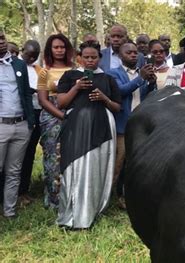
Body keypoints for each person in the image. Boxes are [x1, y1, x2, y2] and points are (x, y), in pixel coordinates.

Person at [56, 41, 121, 229]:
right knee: (73, 167)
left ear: (100, 58)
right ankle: (72, 212)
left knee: (95, 168)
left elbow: (117, 107)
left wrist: (104, 98)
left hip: (101, 131)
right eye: (86, 57)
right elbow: (61, 103)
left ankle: (92, 209)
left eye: (94, 57)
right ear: (80, 58)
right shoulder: (69, 76)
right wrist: (76, 88)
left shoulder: (108, 79)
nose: (90, 61)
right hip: (76, 130)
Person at [107, 42, 156, 209]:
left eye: (136, 53)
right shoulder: (113, 74)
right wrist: (141, 78)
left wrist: (151, 83)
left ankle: (131, 195)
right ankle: (113, 196)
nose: (134, 55)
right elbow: (120, 92)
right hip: (123, 126)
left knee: (137, 162)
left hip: (141, 124)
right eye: (129, 53)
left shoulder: (141, 72)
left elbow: (150, 97)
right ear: (120, 56)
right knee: (119, 163)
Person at [0, 31, 35, 219]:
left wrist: (31, 121)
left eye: (2, 39)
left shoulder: (19, 64)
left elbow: (27, 94)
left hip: (21, 125)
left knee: (14, 171)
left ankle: (9, 211)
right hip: (1, 125)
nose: (1, 43)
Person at [37, 34, 74, 208]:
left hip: (73, 114)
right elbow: (43, 101)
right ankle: (54, 199)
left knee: (71, 156)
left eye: (62, 47)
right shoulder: (45, 72)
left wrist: (70, 116)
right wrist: (62, 117)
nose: (59, 50)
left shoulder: (75, 69)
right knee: (53, 159)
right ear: (50, 50)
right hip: (52, 116)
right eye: (55, 47)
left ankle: (71, 197)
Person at [18, 40, 42, 205]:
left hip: (39, 112)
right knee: (18, 155)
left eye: (35, 56)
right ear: (22, 50)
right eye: (29, 54)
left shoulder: (37, 69)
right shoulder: (16, 66)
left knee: (30, 153)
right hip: (22, 114)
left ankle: (24, 191)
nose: (31, 58)